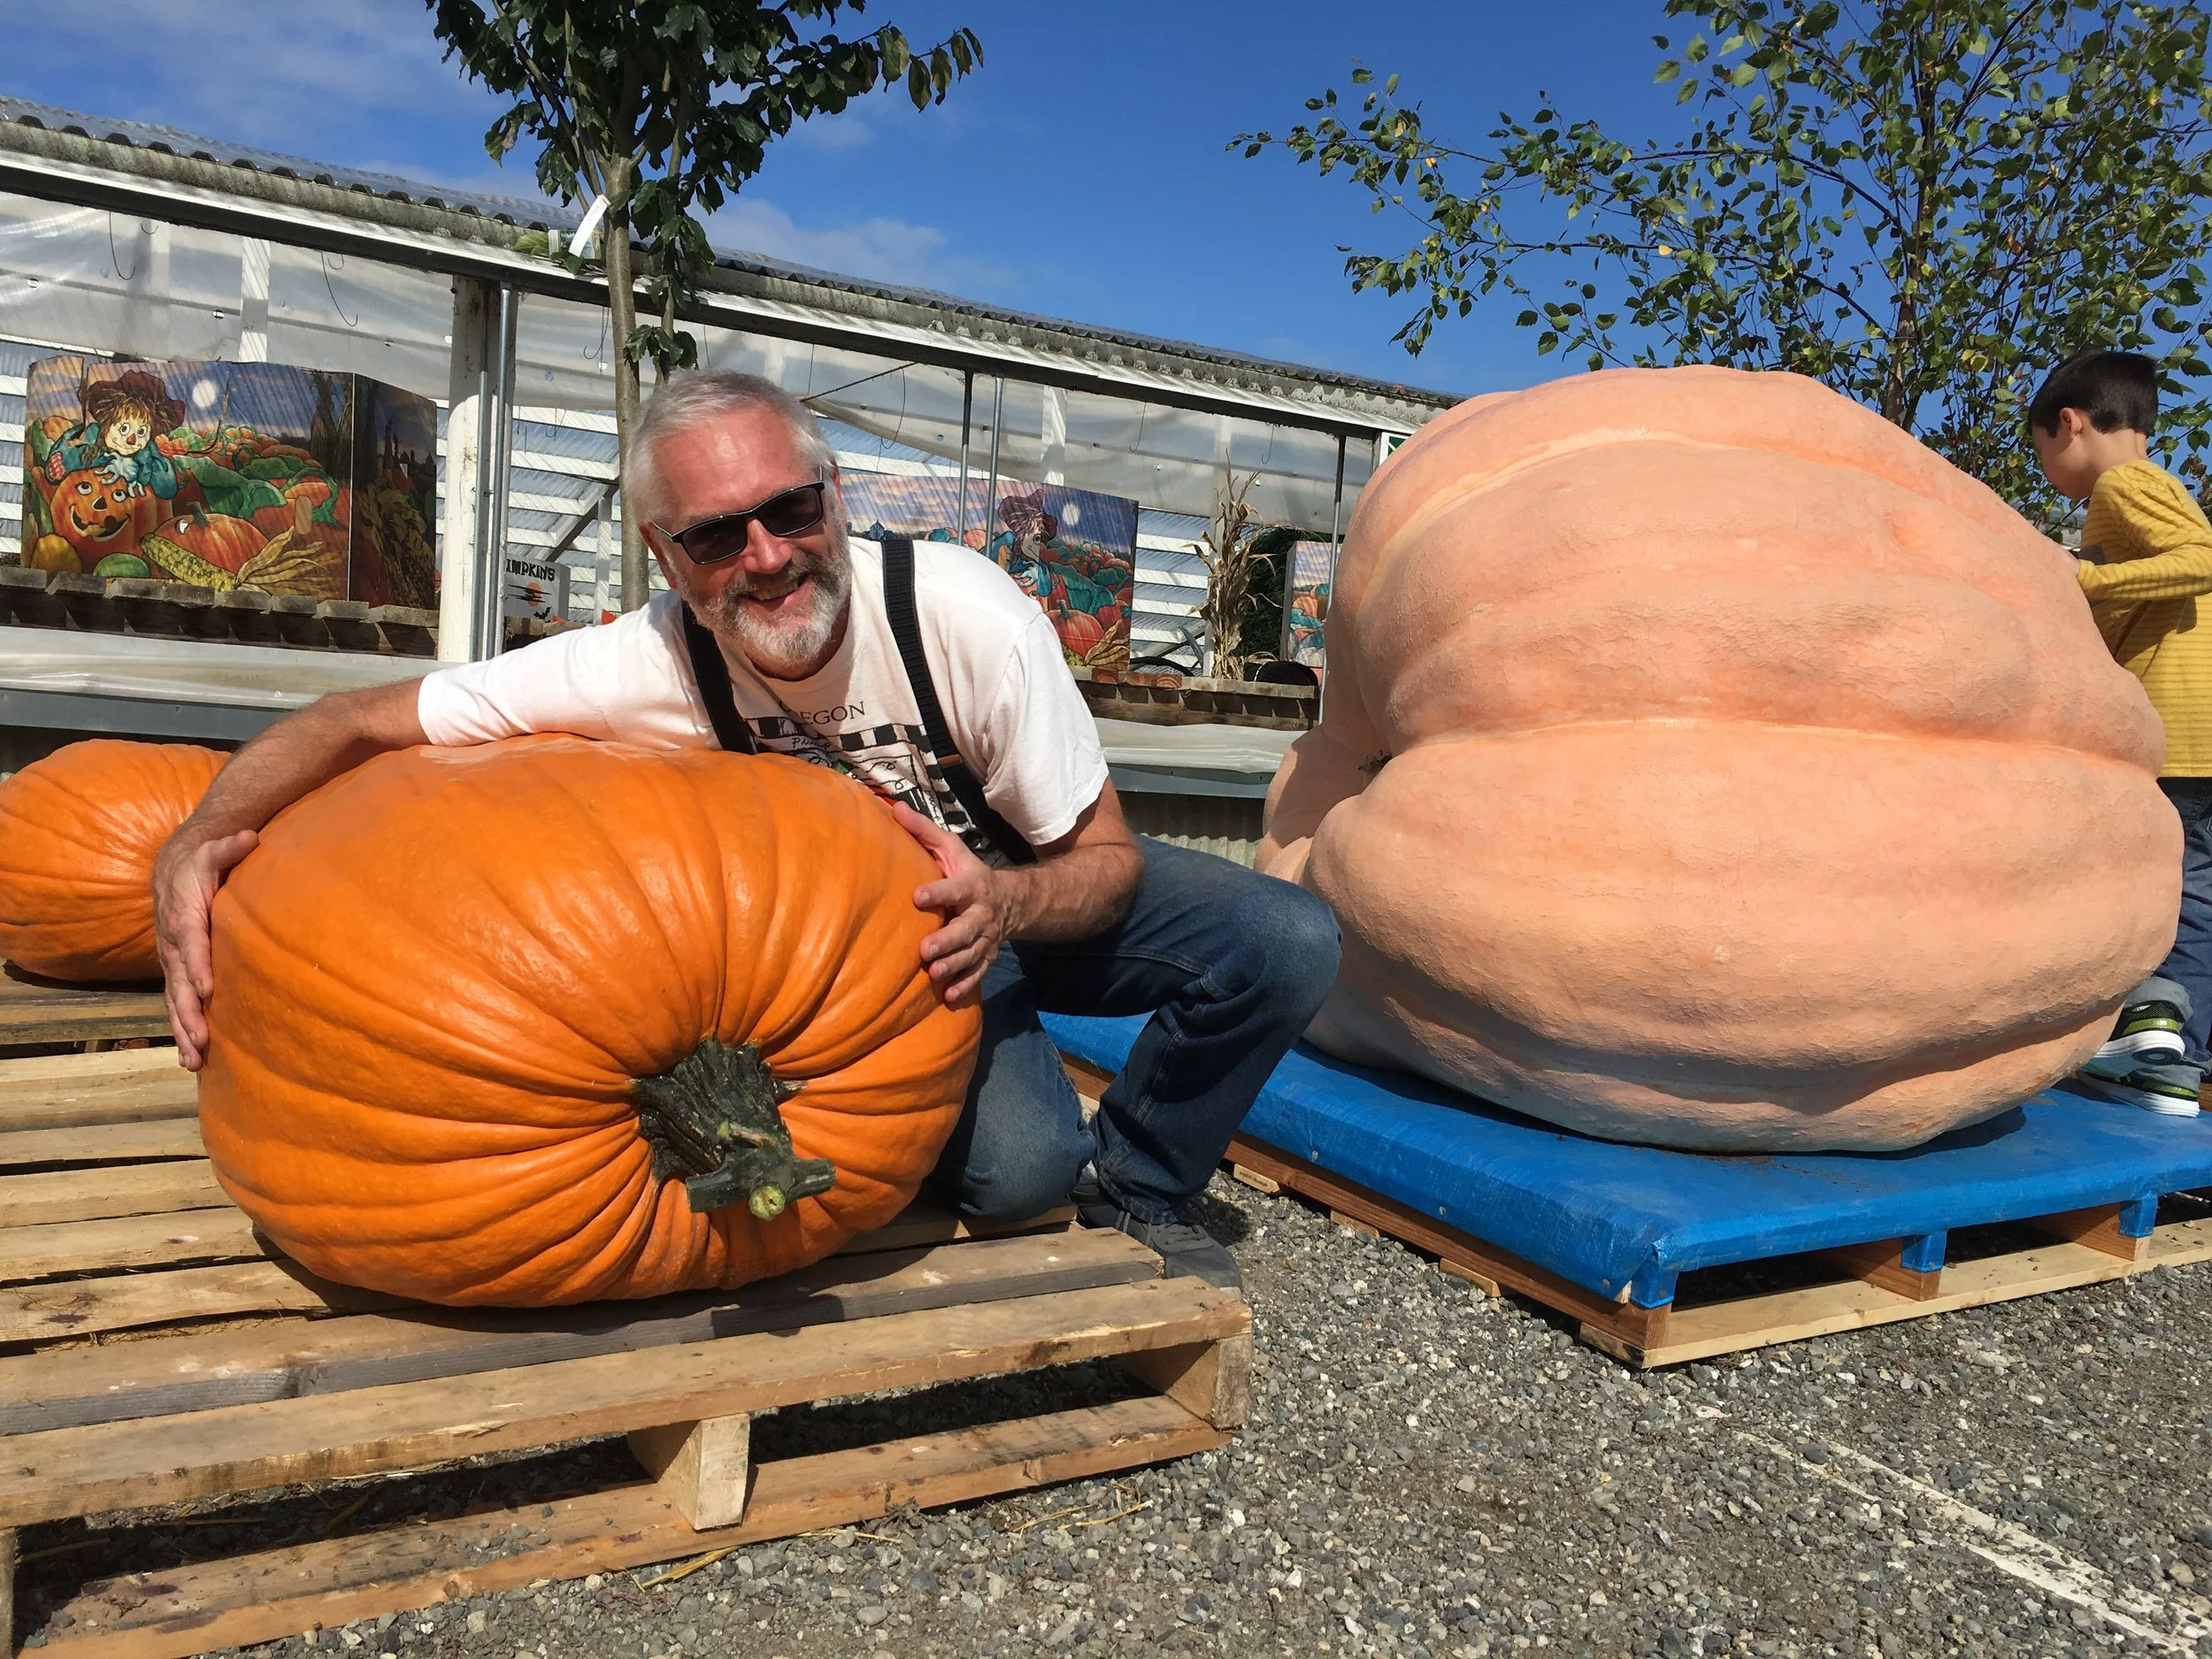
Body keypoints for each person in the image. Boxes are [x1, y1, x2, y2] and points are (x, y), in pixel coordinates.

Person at [151, 370, 1340, 1286]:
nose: (767, 556)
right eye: (717, 535)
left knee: (1287, 939)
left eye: (791, 509)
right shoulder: (641, 663)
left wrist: (1005, 904)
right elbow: (357, 721)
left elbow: (1106, 859)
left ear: (837, 498)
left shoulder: (962, 615)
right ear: (663, 553)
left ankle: (1143, 1180)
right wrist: (196, 836)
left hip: (1020, 892)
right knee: (1025, 1171)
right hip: (874, 965)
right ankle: (981, 1117)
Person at [2031, 347, 2212, 1117]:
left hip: (2177, 729)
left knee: (2151, 889)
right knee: (2195, 893)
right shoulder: (2146, 487)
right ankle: (2180, 1062)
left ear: (2069, 424)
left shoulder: (2126, 484)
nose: (2048, 474)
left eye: (2041, 453)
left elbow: (2201, 557)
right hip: (2197, 731)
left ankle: (2159, 1040)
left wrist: (2084, 576)